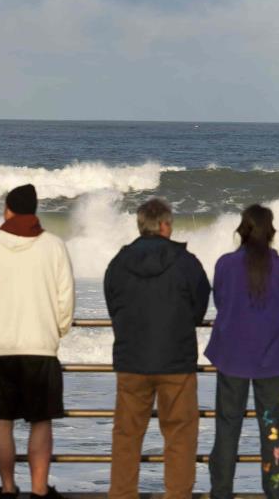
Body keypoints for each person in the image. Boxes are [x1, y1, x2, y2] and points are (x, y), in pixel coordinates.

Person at [0, 183, 74, 499]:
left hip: (0, 347)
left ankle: (8, 488)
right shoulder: (54, 246)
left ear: (8, 210)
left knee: (2, 422)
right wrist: (56, 332)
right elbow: (65, 300)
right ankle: (40, 491)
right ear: (35, 210)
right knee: (40, 423)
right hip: (40, 347)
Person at [104, 198, 211, 499]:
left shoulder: (119, 262)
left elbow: (113, 303)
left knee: (127, 436)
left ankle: (122, 494)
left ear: (141, 225)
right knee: (180, 435)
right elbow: (200, 305)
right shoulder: (185, 262)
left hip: (131, 359)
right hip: (176, 360)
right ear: (165, 225)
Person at [205, 204, 279, 499]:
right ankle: (276, 489)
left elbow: (220, 300)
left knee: (228, 426)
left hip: (231, 355)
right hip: (271, 358)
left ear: (242, 230)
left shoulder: (225, 264)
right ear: (271, 231)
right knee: (271, 426)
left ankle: (221, 490)